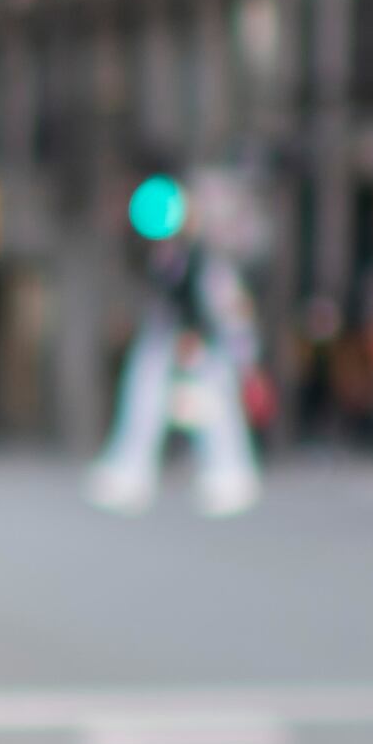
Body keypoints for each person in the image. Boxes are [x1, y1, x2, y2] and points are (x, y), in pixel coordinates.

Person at [86, 188, 261, 515]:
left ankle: (230, 475)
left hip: (202, 345)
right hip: (174, 341)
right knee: (147, 400)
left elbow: (220, 307)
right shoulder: (169, 255)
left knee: (214, 412)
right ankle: (131, 471)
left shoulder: (203, 260)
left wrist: (199, 339)